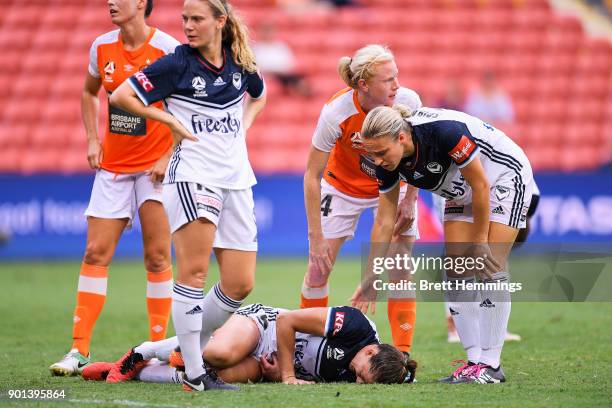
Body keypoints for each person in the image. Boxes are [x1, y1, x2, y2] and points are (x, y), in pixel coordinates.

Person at [109, 0, 266, 392]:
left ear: (220, 21)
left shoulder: (240, 61)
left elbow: (258, 94)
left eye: (197, 19)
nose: (188, 26)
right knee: (193, 274)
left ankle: (158, 349)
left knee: (239, 283)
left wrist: (242, 129)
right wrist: (169, 121)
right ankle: (195, 374)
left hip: (237, 180)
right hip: (193, 177)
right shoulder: (176, 64)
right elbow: (121, 98)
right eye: (184, 19)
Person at [356, 105, 534, 384]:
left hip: (502, 177)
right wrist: (371, 276)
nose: (376, 161)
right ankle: (474, 363)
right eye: (372, 154)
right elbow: (384, 221)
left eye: (380, 153)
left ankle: (492, 366)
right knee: (456, 274)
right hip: (459, 187)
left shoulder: (444, 132)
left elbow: (481, 185)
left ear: (402, 138)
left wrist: (479, 241)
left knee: (489, 267)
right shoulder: (386, 162)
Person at [49, 0, 180, 377]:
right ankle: (77, 351)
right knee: (95, 251)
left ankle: (154, 348)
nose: (111, 2)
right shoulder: (101, 47)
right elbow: (90, 92)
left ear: (142, 3)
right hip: (114, 170)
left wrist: (169, 154)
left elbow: (187, 109)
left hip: (155, 170)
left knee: (157, 257)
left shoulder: (167, 50)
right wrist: (93, 139)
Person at [301, 45, 421, 361]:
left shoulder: (407, 103)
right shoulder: (336, 112)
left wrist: (411, 198)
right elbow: (312, 175)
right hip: (342, 189)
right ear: (364, 85)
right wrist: (315, 238)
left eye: (397, 77)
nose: (397, 86)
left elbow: (416, 155)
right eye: (388, 80)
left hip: (392, 188)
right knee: (317, 270)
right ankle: (308, 349)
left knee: (399, 268)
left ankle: (401, 355)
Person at [82, 304, 417, 385]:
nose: (356, 382)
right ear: (371, 351)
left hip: (267, 361)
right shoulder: (357, 326)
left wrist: (274, 373)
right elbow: (288, 322)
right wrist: (287, 375)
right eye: (361, 375)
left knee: (216, 377)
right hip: (262, 325)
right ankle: (146, 350)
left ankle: (134, 372)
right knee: (218, 353)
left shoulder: (368, 369)